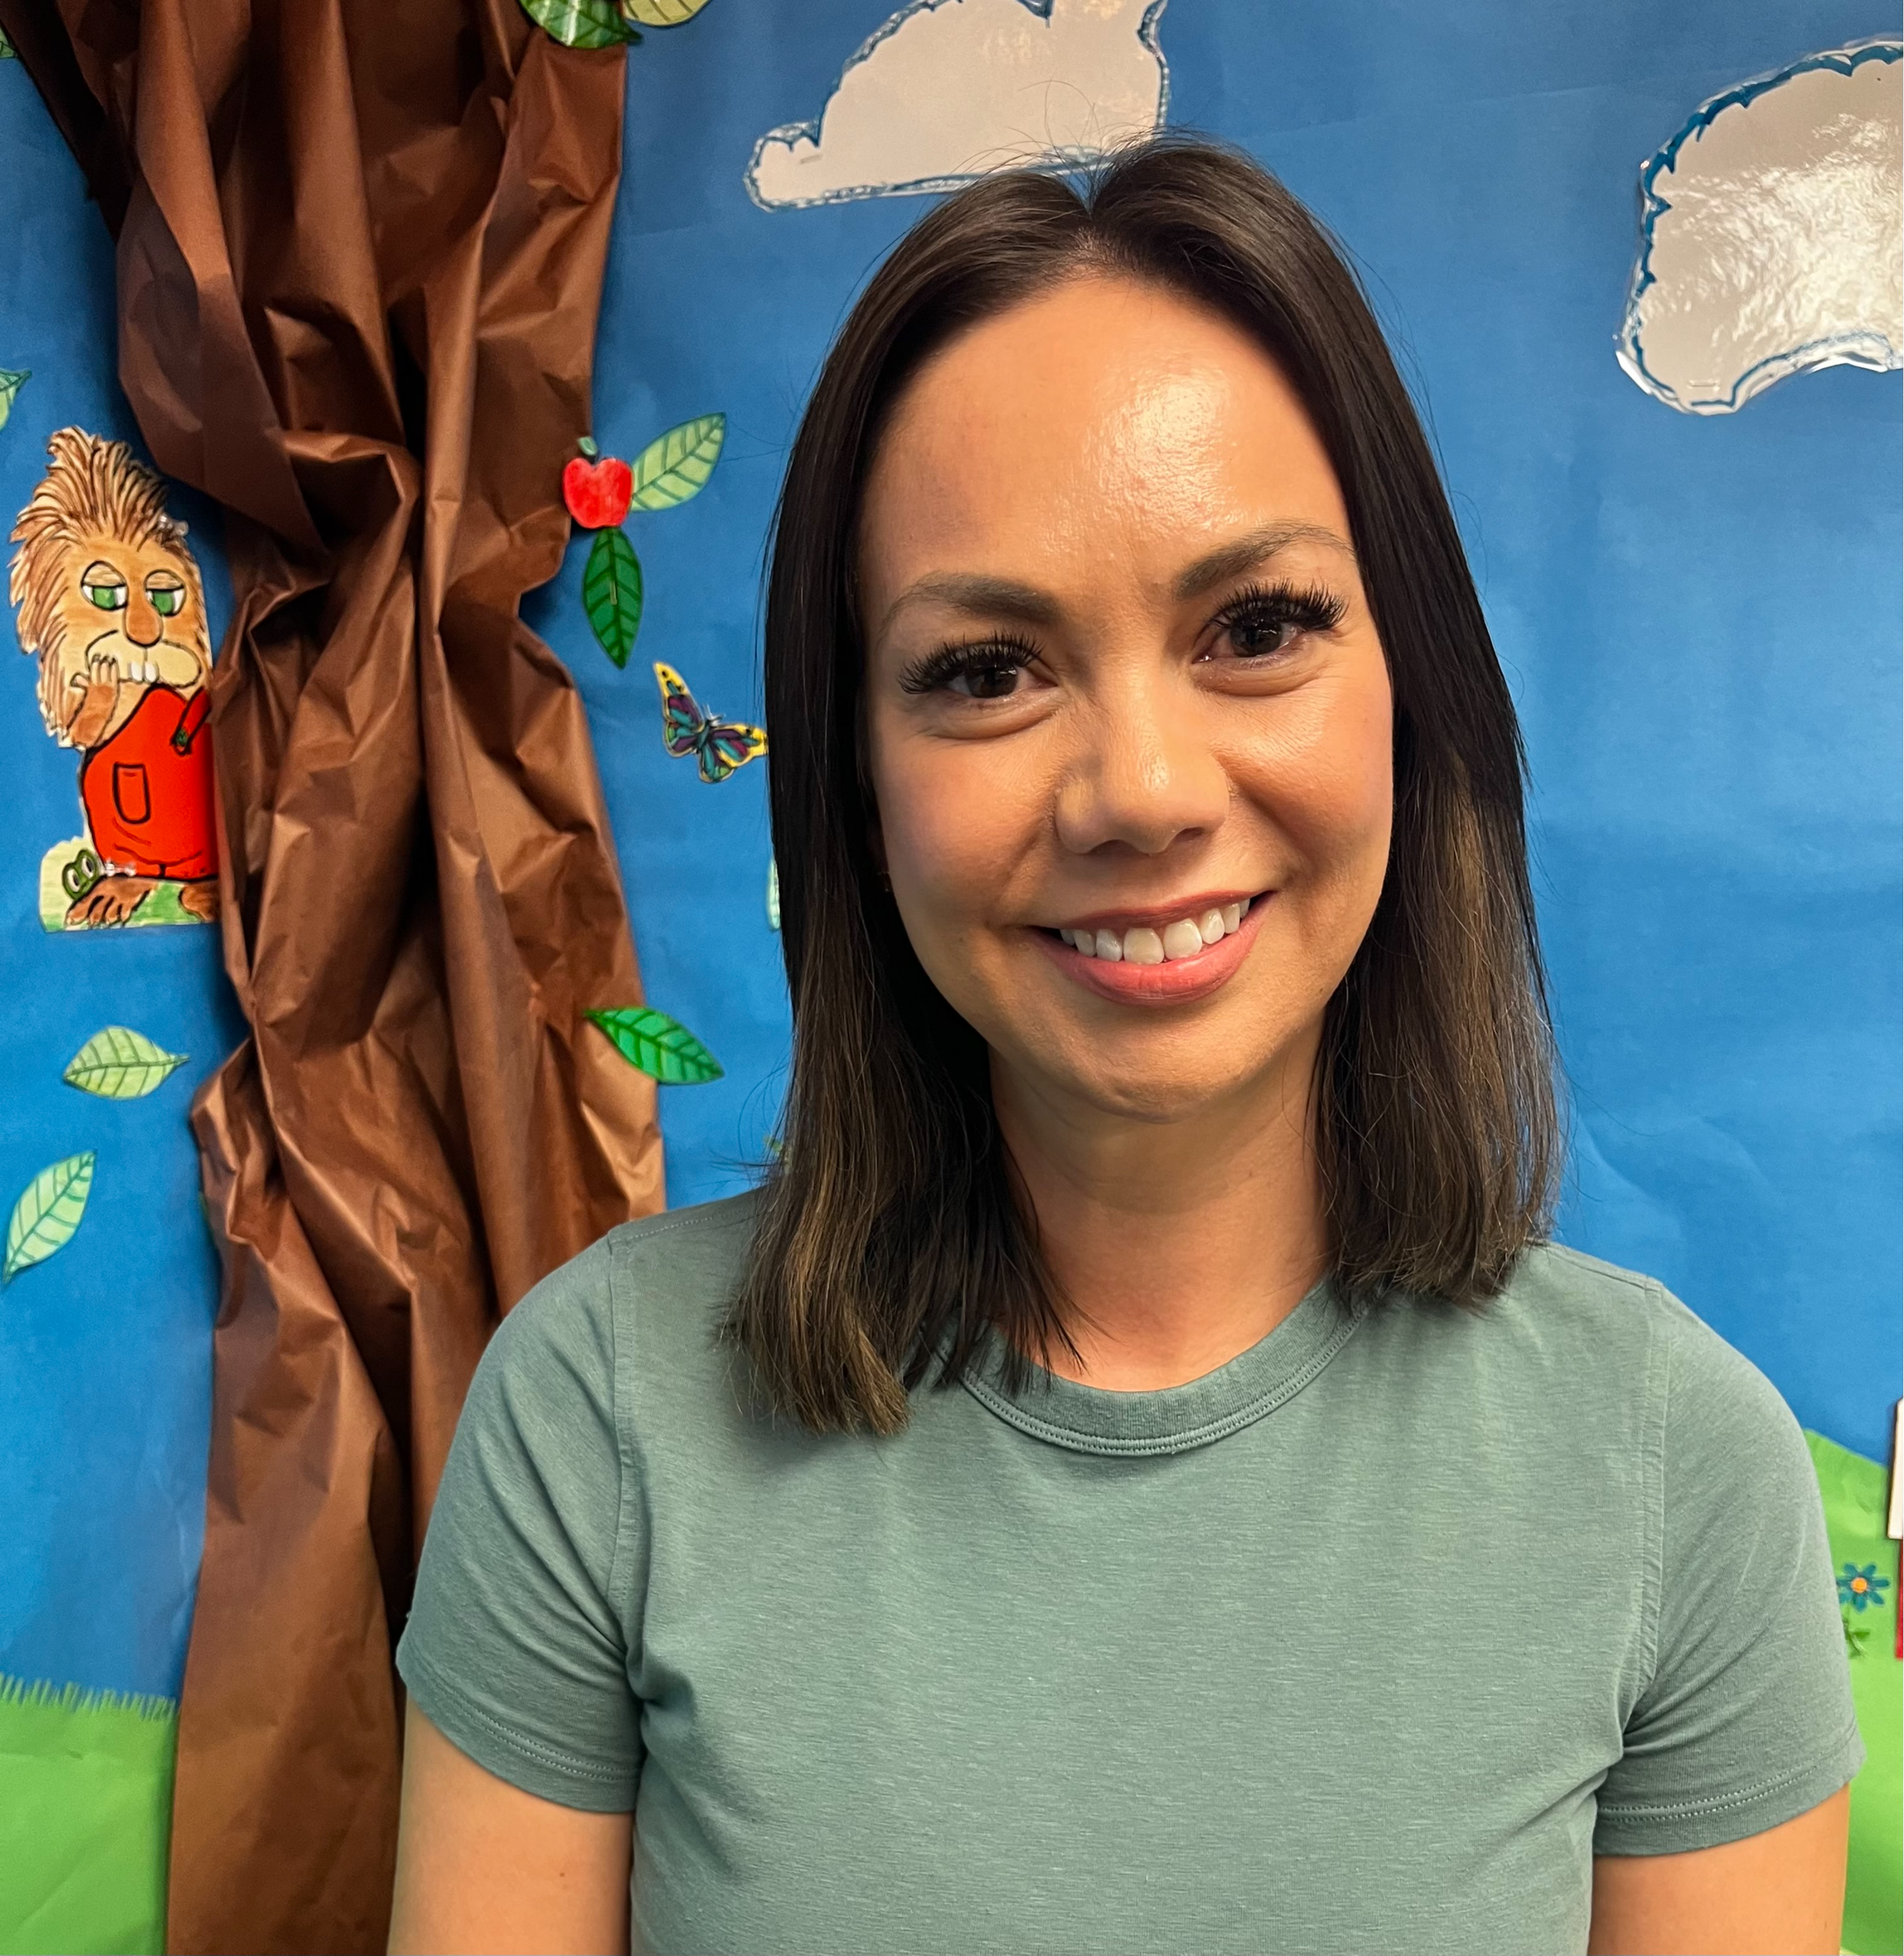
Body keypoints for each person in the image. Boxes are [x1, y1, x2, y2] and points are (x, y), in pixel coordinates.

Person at [387, 139, 1861, 1956]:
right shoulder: (597, 1420)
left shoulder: (1674, 1470)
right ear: (858, 780)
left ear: (1414, 690)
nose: (1144, 793)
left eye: (1256, 628)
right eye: (984, 668)